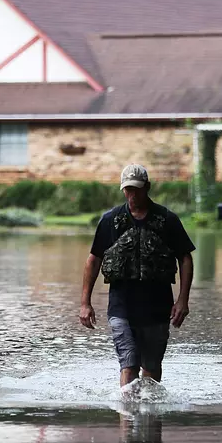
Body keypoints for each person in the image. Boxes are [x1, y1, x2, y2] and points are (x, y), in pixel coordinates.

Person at [79, 164, 195, 387]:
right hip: (121, 307)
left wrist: (183, 300)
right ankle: (127, 418)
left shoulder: (167, 220)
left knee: (151, 369)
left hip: (157, 307)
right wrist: (85, 303)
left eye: (137, 189)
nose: (132, 195)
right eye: (128, 190)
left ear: (147, 187)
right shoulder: (110, 220)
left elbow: (185, 258)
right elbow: (94, 260)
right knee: (129, 364)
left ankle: (150, 418)